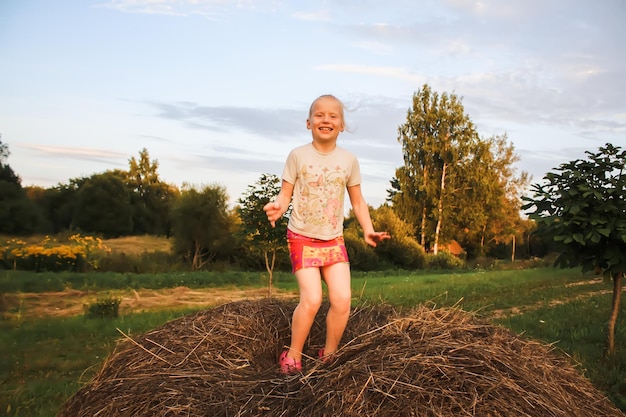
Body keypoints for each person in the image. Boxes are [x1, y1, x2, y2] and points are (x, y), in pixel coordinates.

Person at [263, 94, 390, 374]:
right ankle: (293, 354)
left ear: (342, 125)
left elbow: (357, 201)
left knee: (342, 300)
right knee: (312, 299)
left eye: (333, 116)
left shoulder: (348, 160)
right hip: (302, 237)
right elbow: (286, 194)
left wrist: (368, 230)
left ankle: (329, 353)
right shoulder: (298, 155)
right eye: (319, 115)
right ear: (309, 122)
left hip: (334, 240)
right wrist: (277, 206)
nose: (326, 120)